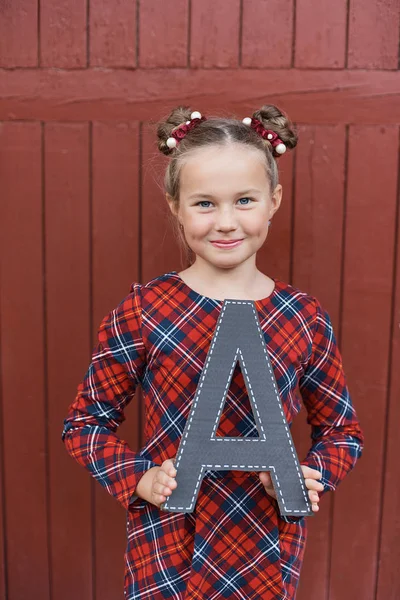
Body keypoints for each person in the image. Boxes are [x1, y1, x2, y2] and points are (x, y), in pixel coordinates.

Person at [62, 104, 364, 600]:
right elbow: (84, 424)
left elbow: (342, 432)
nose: (226, 222)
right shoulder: (146, 310)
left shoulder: (303, 317)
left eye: (244, 200)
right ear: (175, 205)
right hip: (168, 543)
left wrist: (313, 474)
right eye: (205, 204)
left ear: (274, 200)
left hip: (267, 544)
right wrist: (139, 479)